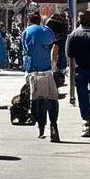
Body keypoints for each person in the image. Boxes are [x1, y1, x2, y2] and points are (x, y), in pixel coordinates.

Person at [22, 12, 60, 142]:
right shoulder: (45, 30)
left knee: (38, 100)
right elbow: (51, 40)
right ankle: (54, 125)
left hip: (32, 69)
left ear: (29, 20)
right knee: (52, 98)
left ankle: (41, 127)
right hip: (46, 69)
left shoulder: (26, 32)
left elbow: (25, 49)